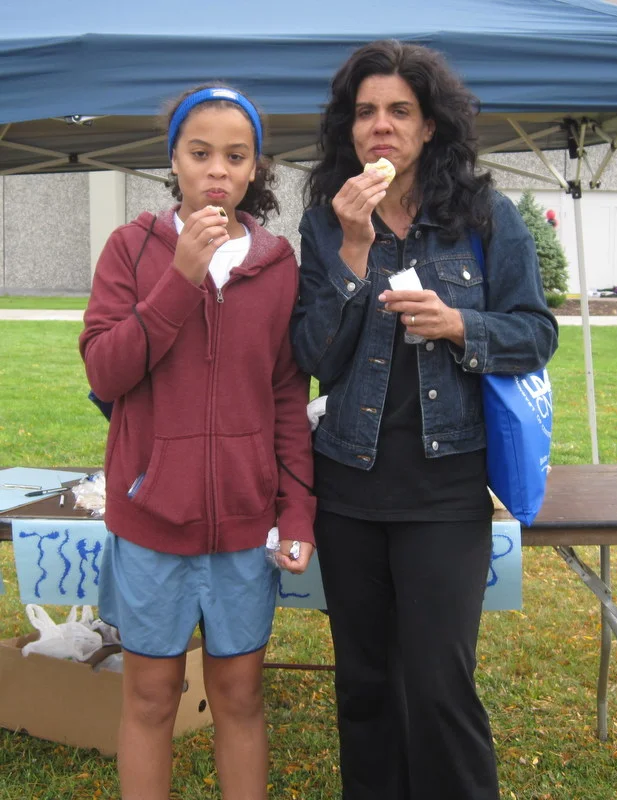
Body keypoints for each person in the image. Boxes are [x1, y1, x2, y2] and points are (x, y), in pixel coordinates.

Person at [291, 41, 558, 800]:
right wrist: (353, 248)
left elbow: (536, 333)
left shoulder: (484, 217)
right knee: (365, 687)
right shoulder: (325, 223)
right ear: (349, 128)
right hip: (349, 488)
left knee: (440, 688)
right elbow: (313, 354)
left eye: (399, 111)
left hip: (445, 489)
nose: (381, 126)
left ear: (430, 125)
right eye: (365, 112)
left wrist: (461, 325)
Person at [80, 84, 315, 800]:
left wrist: (297, 511)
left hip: (245, 526)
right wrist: (180, 278)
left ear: (254, 169)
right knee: (151, 698)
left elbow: (287, 399)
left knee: (240, 697)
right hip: (152, 524)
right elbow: (106, 371)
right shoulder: (131, 250)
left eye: (235, 156)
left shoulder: (277, 265)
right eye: (200, 152)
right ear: (174, 161)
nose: (217, 169)